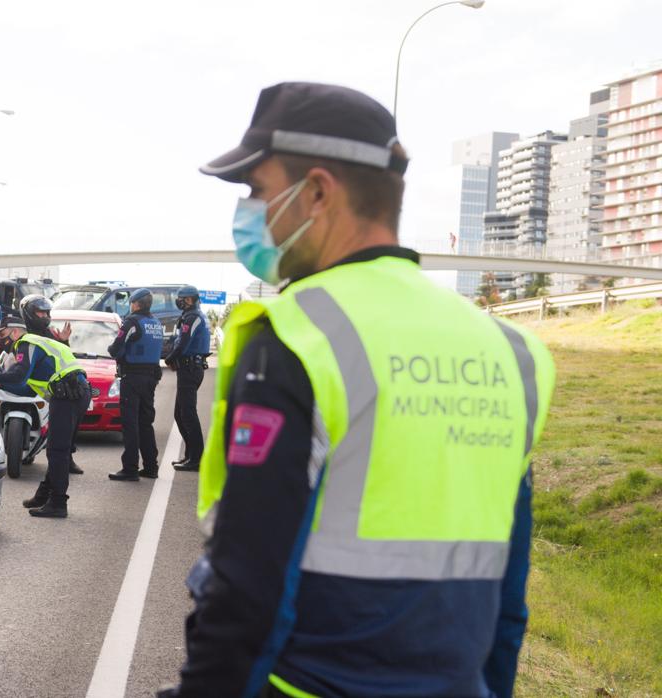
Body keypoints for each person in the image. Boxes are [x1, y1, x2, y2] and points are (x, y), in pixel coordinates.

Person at [163, 82, 554, 698]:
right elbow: (510, 590)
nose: (250, 211)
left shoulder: (300, 335)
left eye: (257, 191)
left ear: (316, 191)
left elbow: (248, 584)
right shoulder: (511, 351)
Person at [0, 313, 89, 518]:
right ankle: (44, 495)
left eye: (3, 333)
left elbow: (18, 375)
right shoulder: (35, 346)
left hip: (68, 394)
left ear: (15, 332)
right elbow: (25, 387)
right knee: (57, 448)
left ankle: (58, 504)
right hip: (74, 392)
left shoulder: (26, 343)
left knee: (57, 451)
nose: (1, 339)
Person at [19, 294, 82, 474]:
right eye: (40, 312)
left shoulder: (50, 333)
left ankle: (67, 458)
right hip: (24, 384)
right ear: (29, 313)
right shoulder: (20, 331)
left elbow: (63, 356)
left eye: (47, 312)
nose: (45, 316)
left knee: (68, 425)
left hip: (51, 388)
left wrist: (63, 340)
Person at [107, 288, 164, 482]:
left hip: (133, 378)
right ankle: (151, 467)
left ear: (136, 304)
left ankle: (130, 468)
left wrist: (113, 350)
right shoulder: (156, 323)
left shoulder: (132, 322)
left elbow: (116, 348)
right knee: (145, 423)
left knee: (130, 424)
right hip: (150, 378)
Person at [165, 285, 211, 472]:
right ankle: (190, 455)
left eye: (182, 298)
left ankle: (197, 458)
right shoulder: (192, 316)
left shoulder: (193, 317)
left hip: (191, 368)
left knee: (188, 414)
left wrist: (169, 358)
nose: (179, 301)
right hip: (189, 367)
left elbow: (184, 342)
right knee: (180, 413)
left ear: (190, 299)